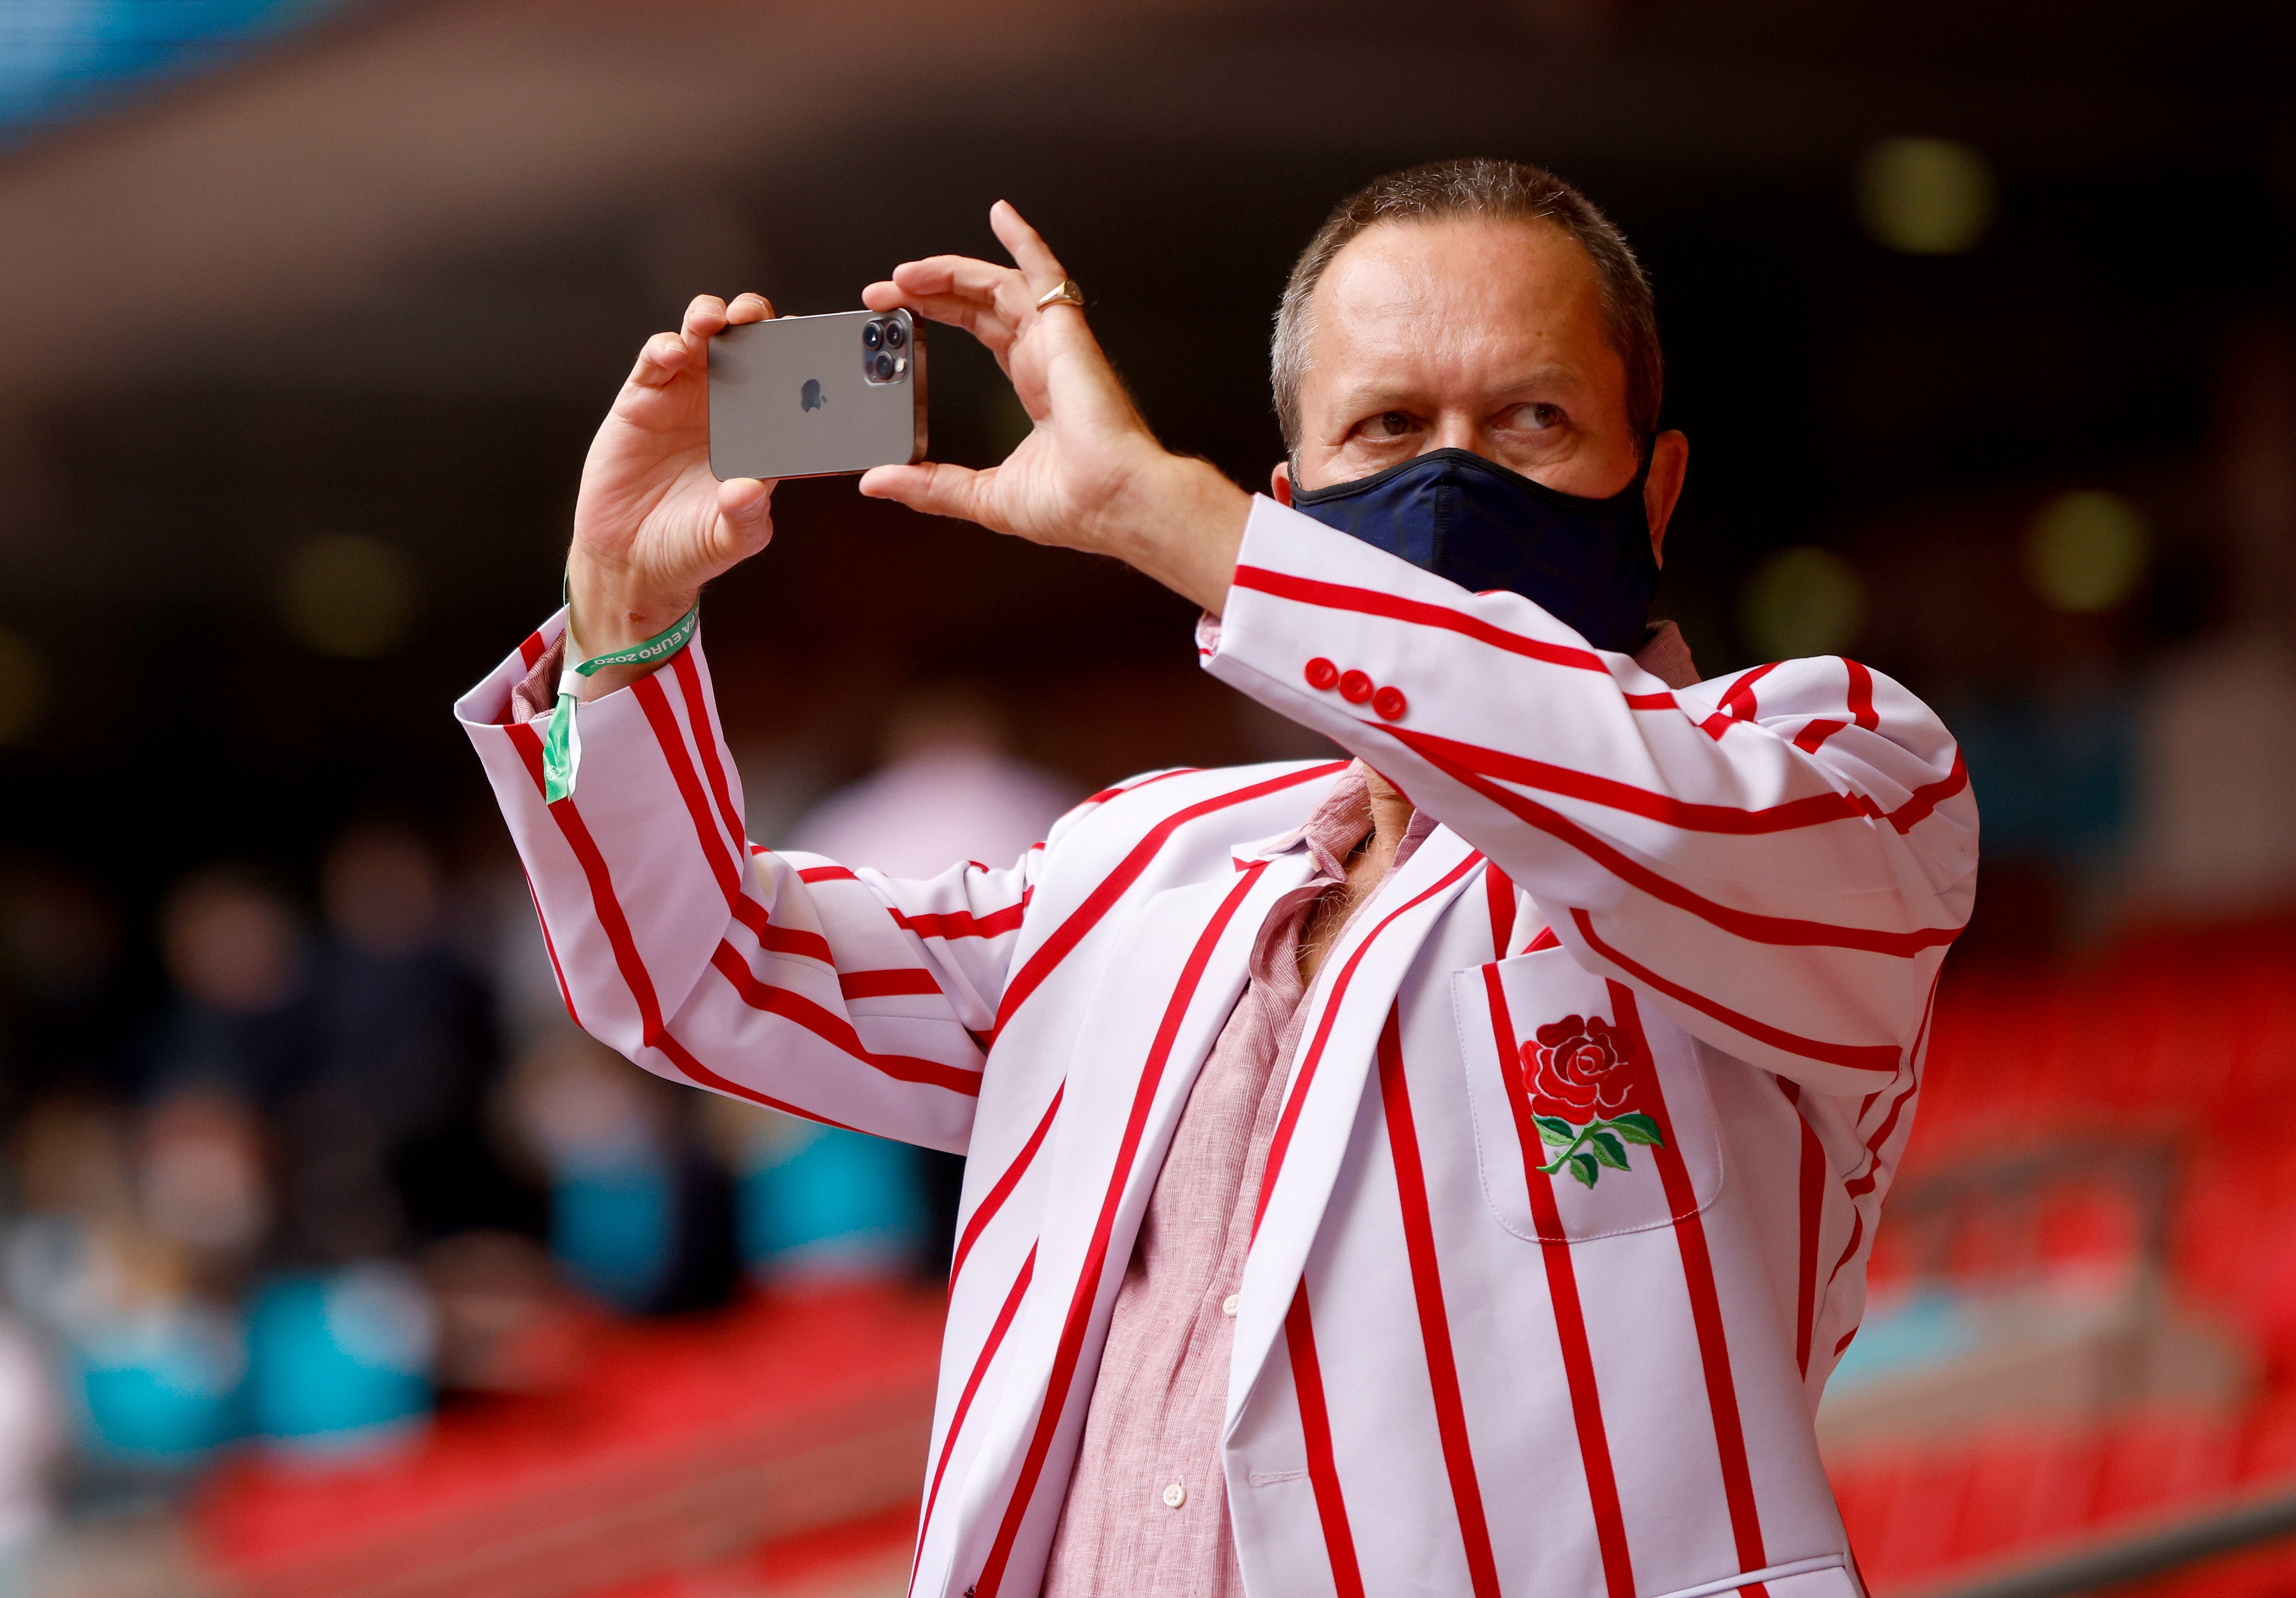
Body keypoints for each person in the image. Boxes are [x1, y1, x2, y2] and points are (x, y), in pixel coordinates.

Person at [457, 159, 1975, 1598]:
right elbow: (710, 965)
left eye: (1526, 419)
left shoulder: (1831, 765)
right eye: (1383, 426)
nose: (1448, 482)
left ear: (1651, 493)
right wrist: (625, 617)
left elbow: (1641, 817)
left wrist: (1153, 513)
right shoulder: (1145, 859)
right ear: (1295, 499)